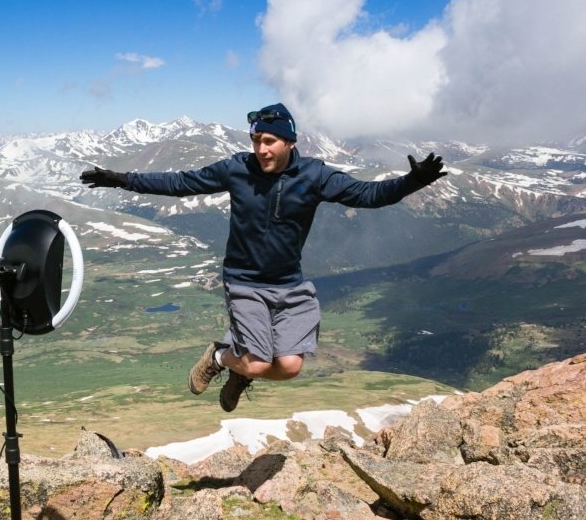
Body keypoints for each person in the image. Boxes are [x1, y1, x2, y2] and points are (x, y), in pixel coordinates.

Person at [79, 102, 447, 412]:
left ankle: (241, 371)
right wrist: (120, 179)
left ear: (289, 141)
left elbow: (368, 195)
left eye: (269, 141)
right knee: (257, 360)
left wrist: (413, 182)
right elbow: (180, 183)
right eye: (256, 141)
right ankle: (220, 358)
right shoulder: (237, 169)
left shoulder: (314, 175)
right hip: (244, 281)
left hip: (289, 284)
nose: (261, 149)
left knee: (288, 367)